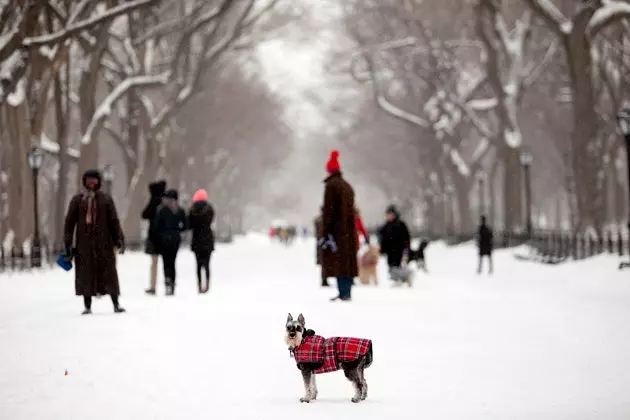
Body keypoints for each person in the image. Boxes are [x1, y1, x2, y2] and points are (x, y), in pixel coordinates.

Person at [63, 169, 126, 314]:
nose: (91, 183)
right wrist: (67, 243)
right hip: (84, 245)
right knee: (86, 274)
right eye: (89, 180)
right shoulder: (78, 200)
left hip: (104, 244)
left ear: (99, 182)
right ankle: (87, 305)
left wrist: (119, 239)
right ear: (84, 181)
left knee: (109, 274)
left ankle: (116, 303)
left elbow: (114, 221)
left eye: (94, 180)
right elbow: (69, 223)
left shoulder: (105, 199)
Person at [320, 150, 358, 302]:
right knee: (347, 261)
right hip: (349, 229)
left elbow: (329, 211)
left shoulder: (331, 186)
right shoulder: (347, 186)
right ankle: (347, 291)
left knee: (338, 261)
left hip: (337, 231)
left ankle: (342, 292)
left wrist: (326, 231)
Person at [154, 189, 187, 296]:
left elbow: (156, 226)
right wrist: (178, 230)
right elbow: (186, 225)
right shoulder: (180, 210)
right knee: (172, 261)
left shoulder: (162, 210)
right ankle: (171, 282)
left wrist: (159, 235)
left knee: (166, 262)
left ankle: (168, 281)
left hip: (164, 239)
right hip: (175, 239)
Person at [141, 180, 167, 295]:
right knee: (167, 262)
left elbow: (144, 215)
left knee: (154, 262)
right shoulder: (165, 202)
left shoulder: (153, 202)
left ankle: (153, 285)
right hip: (165, 236)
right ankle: (168, 283)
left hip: (153, 235)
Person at [188, 189, 215, 294]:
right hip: (208, 240)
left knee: (198, 265)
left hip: (197, 240)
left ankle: (199, 285)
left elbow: (189, 224)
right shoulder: (209, 209)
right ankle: (207, 285)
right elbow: (211, 220)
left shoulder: (192, 210)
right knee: (207, 264)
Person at [378, 205, 411, 283]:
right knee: (391, 269)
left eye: (390, 214)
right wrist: (382, 250)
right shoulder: (386, 226)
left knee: (400, 267)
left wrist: (406, 249)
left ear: (394, 214)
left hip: (401, 251)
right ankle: (397, 281)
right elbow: (383, 240)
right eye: (387, 214)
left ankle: (406, 278)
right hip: (390, 252)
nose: (388, 216)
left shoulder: (401, 225)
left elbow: (406, 238)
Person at [314, 207, 329, 287]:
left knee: (324, 263)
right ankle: (324, 279)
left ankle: (324, 279)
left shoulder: (319, 220)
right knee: (325, 262)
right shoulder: (323, 220)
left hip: (321, 244)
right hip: (325, 243)